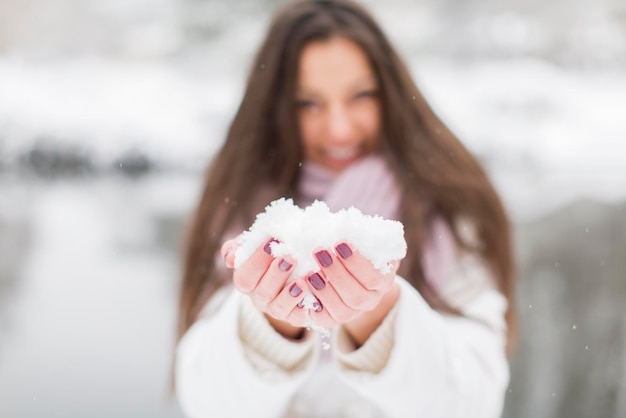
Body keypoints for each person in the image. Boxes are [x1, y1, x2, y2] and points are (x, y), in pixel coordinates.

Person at [174, 0, 516, 417]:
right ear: (275, 107)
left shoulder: (449, 205)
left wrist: (379, 318)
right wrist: (270, 325)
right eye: (308, 103)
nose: (339, 128)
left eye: (361, 96)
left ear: (390, 94)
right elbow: (205, 402)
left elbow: (475, 402)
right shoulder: (236, 207)